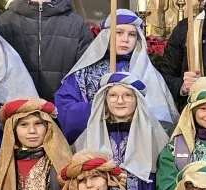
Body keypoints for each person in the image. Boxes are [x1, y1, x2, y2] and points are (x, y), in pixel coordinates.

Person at [54, 10, 177, 141]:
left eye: (132, 35)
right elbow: (65, 106)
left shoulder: (148, 73)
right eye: (119, 33)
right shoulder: (84, 72)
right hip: (94, 142)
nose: (125, 39)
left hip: (136, 144)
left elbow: (160, 117)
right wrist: (99, 108)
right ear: (106, 35)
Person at [0, 0, 96, 103]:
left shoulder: (77, 25)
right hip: (19, 116)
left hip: (63, 114)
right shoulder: (4, 23)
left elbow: (86, 75)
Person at [78, 72, 169, 190]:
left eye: (127, 95)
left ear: (137, 100)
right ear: (105, 99)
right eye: (113, 95)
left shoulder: (154, 135)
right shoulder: (92, 133)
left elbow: (162, 181)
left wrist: (132, 183)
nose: (120, 101)